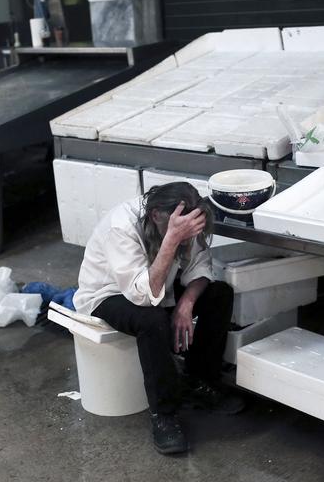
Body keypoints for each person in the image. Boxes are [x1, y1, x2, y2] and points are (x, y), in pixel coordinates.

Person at [73, 182, 244, 454]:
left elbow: (199, 267)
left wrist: (185, 305)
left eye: (189, 232)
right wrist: (172, 239)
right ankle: (163, 415)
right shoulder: (121, 227)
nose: (188, 239)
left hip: (158, 285)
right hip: (111, 293)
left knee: (219, 293)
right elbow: (141, 294)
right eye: (181, 232)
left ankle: (199, 381)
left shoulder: (186, 217)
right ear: (155, 216)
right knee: (152, 320)